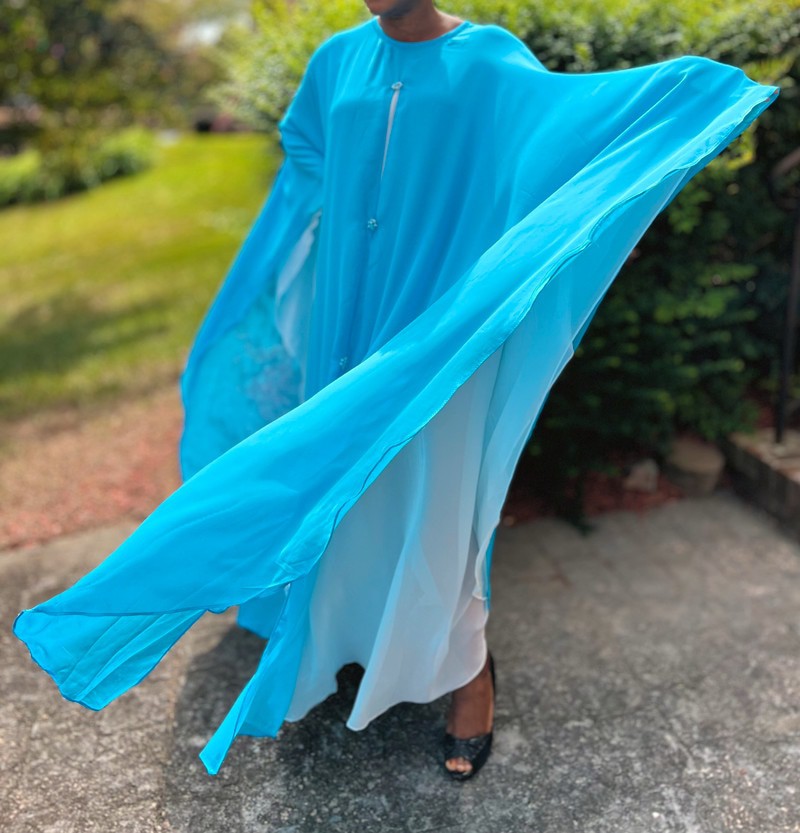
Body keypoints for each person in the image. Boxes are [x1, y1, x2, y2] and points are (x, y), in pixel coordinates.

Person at [13, 0, 779, 783]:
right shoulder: (335, 62)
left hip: (435, 334)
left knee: (438, 504)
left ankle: (470, 673)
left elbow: (554, 145)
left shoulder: (489, 62)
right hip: (345, 325)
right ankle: (347, 644)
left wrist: (673, 118)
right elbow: (305, 153)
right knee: (345, 496)